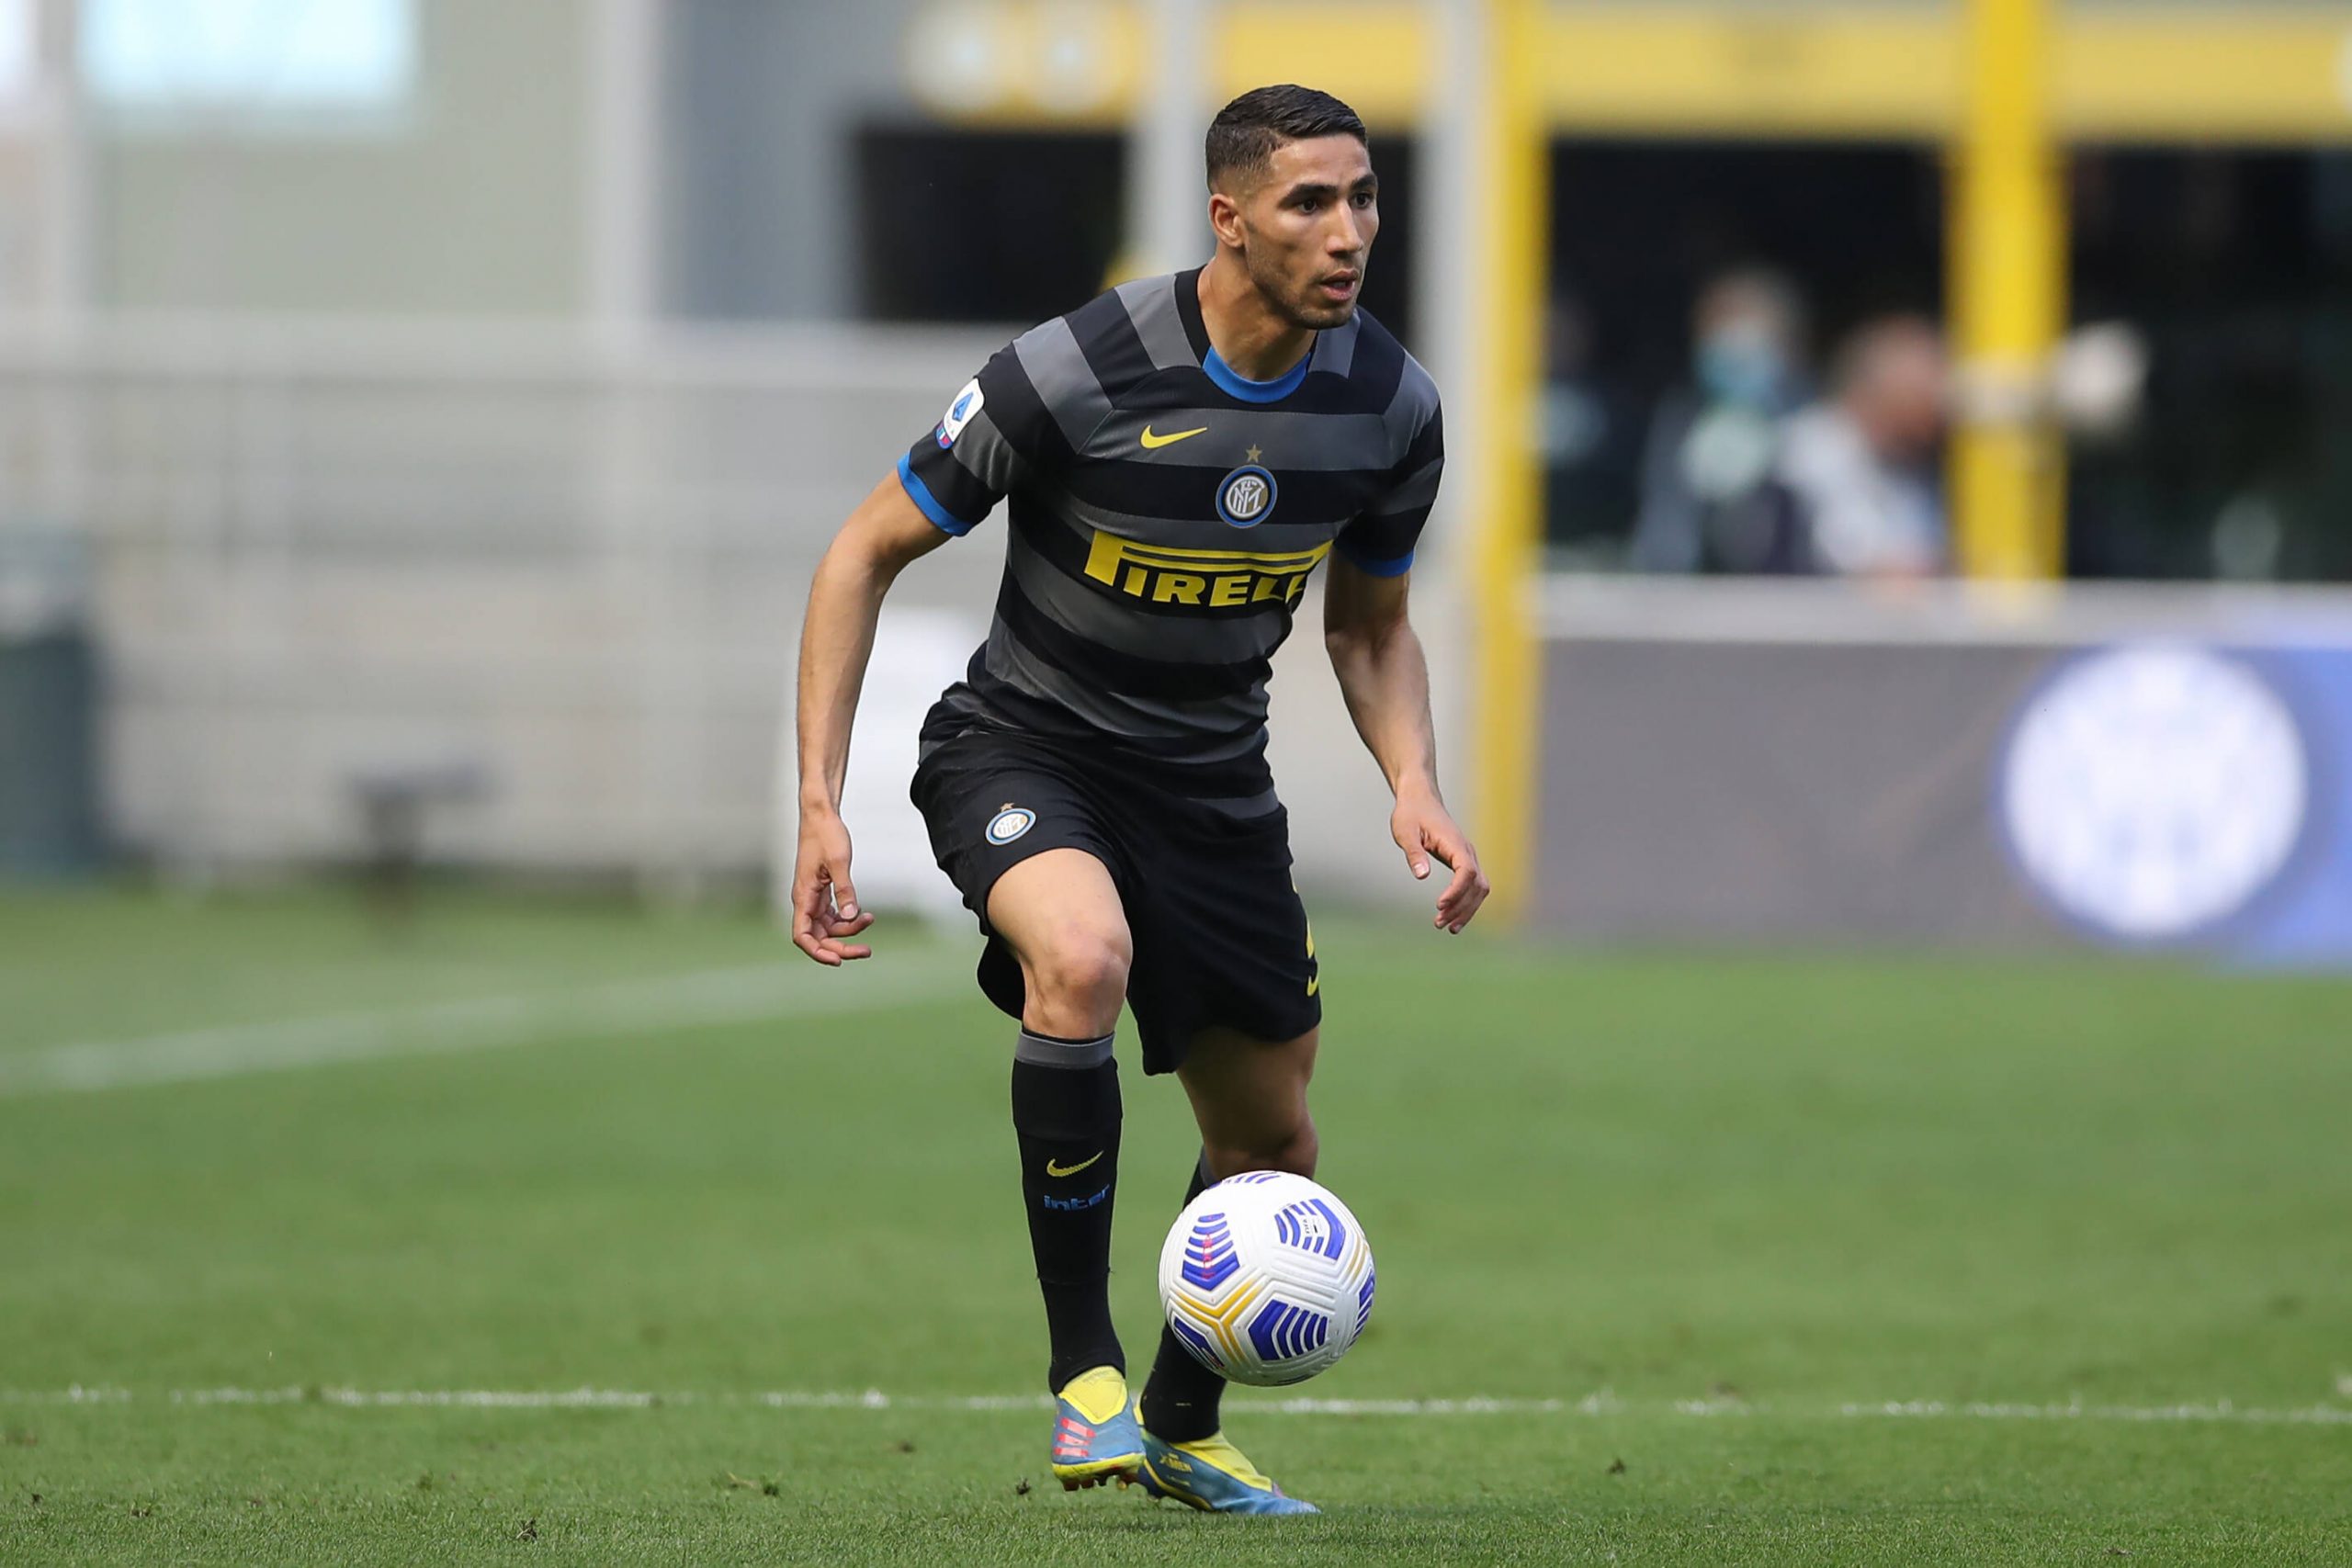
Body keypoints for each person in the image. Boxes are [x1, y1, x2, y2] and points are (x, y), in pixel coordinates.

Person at [789, 85, 1488, 1515]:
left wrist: (1414, 778)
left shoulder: (1390, 406)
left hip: (1211, 787)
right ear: (1228, 219)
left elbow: (1367, 630)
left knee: (1272, 1140)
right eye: (1310, 202)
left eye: (1362, 197)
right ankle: (1085, 1380)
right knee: (1084, 957)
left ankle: (1180, 1418)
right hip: (1022, 745)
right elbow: (861, 550)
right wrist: (818, 799)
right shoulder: (1077, 370)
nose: (1348, 230)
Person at [1628, 270, 1812, 574]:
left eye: (1746, 343)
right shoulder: (1682, 416)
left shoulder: (1815, 421)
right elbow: (1664, 523)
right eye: (1718, 336)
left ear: (1786, 345)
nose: (1732, 356)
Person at [1777, 313, 1950, 578]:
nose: (1933, 407)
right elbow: (1862, 559)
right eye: (1917, 391)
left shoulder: (1914, 462)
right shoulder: (1810, 450)